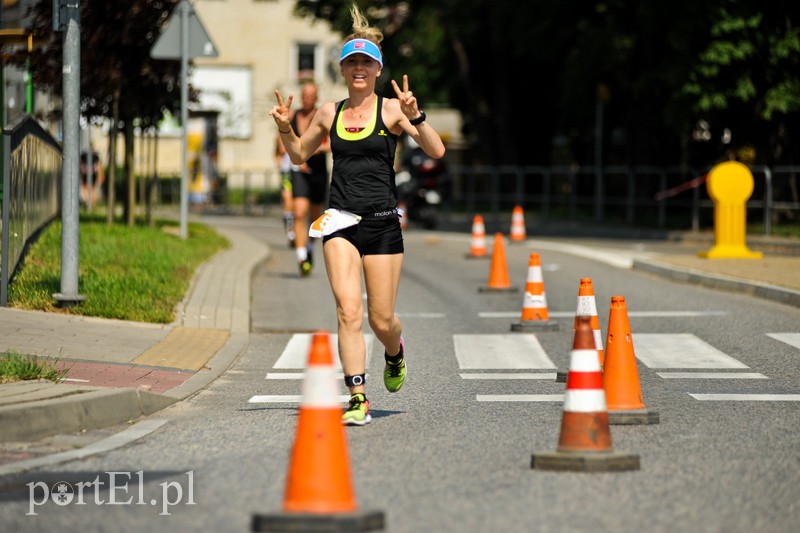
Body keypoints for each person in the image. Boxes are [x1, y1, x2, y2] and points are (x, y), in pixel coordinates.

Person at [269, 4, 446, 426]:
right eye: (352, 62)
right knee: (348, 311)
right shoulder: (329, 112)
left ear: (378, 69)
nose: (359, 68)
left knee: (380, 319)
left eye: (366, 61)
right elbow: (297, 155)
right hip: (340, 222)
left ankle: (394, 349)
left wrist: (416, 114)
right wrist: (284, 127)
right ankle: (357, 396)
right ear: (344, 70)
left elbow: (437, 150)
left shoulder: (392, 110)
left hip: (384, 223)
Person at [289, 81, 330, 276]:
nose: (307, 99)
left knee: (314, 218)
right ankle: (301, 256)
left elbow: (333, 143)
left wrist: (316, 149)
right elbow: (285, 141)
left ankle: (310, 249)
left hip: (319, 171)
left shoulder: (323, 116)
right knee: (299, 213)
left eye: (311, 96)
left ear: (316, 98)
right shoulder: (293, 116)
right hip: (299, 169)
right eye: (304, 95)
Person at [274, 132, 295, 248]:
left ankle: (297, 232)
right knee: (288, 201)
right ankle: (290, 232)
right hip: (286, 173)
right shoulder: (282, 133)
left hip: (299, 173)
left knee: (297, 206)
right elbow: (280, 150)